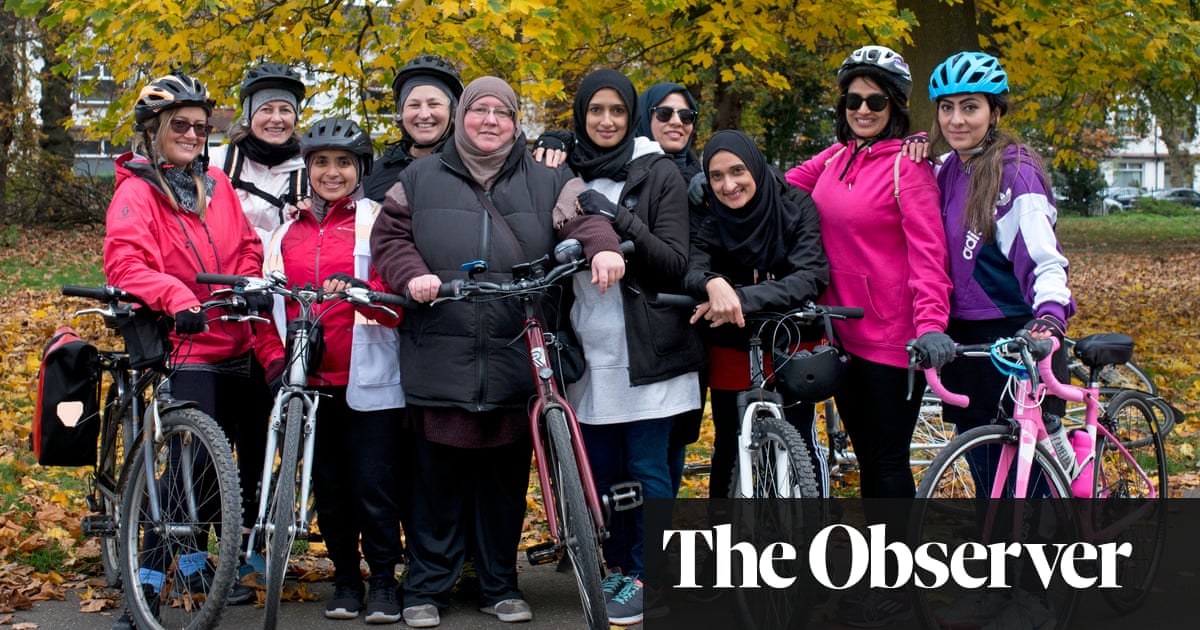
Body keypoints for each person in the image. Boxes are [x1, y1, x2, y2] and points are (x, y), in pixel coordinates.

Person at [370, 76, 625, 628]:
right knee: (434, 484)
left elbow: (586, 218)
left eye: (502, 113)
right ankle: (426, 588)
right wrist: (412, 275)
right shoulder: (418, 178)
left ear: (514, 122)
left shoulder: (549, 178)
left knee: (504, 484)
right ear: (461, 116)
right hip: (440, 350)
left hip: (515, 353)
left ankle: (499, 584)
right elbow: (389, 239)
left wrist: (603, 249)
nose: (490, 121)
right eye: (479, 110)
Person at [103, 70, 283, 629]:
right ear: (153, 129)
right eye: (179, 124)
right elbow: (125, 264)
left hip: (237, 338)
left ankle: (195, 563)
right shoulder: (137, 191)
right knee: (190, 462)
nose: (191, 134)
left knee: (226, 465)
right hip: (186, 343)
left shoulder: (216, 184)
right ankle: (146, 586)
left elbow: (247, 246)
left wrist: (247, 281)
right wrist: (177, 296)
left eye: (200, 127)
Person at [784, 45, 953, 627]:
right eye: (853, 99)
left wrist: (931, 326)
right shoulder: (836, 158)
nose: (862, 109)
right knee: (867, 459)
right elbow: (777, 186)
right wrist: (709, 182)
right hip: (842, 334)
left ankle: (895, 590)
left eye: (875, 101)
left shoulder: (910, 168)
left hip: (892, 341)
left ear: (895, 106)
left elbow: (930, 257)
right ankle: (880, 574)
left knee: (886, 464)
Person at [566, 68, 704, 625]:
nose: (606, 121)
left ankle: (653, 574)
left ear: (632, 117)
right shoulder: (565, 170)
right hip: (588, 345)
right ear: (581, 116)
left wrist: (616, 217)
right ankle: (620, 566)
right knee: (603, 471)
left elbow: (674, 261)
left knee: (648, 468)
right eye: (595, 110)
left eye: (617, 111)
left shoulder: (659, 170)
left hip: (652, 347)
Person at [261, 117, 406, 623]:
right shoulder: (284, 233)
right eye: (321, 162)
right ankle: (345, 579)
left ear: (360, 169)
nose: (331, 172)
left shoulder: (380, 221)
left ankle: (384, 580)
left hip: (369, 380)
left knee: (374, 486)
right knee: (330, 488)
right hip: (310, 382)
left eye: (343, 163)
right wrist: (275, 362)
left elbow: (397, 301)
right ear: (308, 168)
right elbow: (266, 309)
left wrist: (362, 293)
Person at [926, 52, 1075, 480]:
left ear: (994, 113)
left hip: (1019, 337)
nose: (956, 120)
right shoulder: (947, 169)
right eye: (947, 108)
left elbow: (1045, 259)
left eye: (970, 107)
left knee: (1034, 490)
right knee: (987, 483)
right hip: (964, 341)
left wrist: (1051, 316)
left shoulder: (1015, 174)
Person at [683, 129, 830, 499]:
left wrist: (740, 298)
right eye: (717, 176)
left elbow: (810, 275)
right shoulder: (708, 213)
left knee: (801, 439)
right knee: (730, 443)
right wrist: (711, 282)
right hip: (731, 344)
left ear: (756, 168)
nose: (729, 185)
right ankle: (724, 529)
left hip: (791, 340)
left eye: (738, 171)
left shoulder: (796, 204)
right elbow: (693, 266)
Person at [633, 82, 706, 497]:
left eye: (686, 115)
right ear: (645, 117)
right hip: (643, 321)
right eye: (664, 113)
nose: (677, 122)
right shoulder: (628, 170)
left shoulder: (705, 176)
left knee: (677, 437)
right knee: (642, 449)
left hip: (693, 322)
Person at [210, 62, 308, 246]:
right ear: (249, 115)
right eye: (266, 109)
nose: (277, 119)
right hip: (225, 262)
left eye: (285, 110)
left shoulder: (308, 173)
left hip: (280, 263)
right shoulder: (218, 162)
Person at [362, 55, 463, 202]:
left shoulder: (470, 169)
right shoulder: (376, 173)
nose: (424, 114)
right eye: (414, 105)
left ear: (453, 112)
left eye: (434, 104)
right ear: (401, 112)